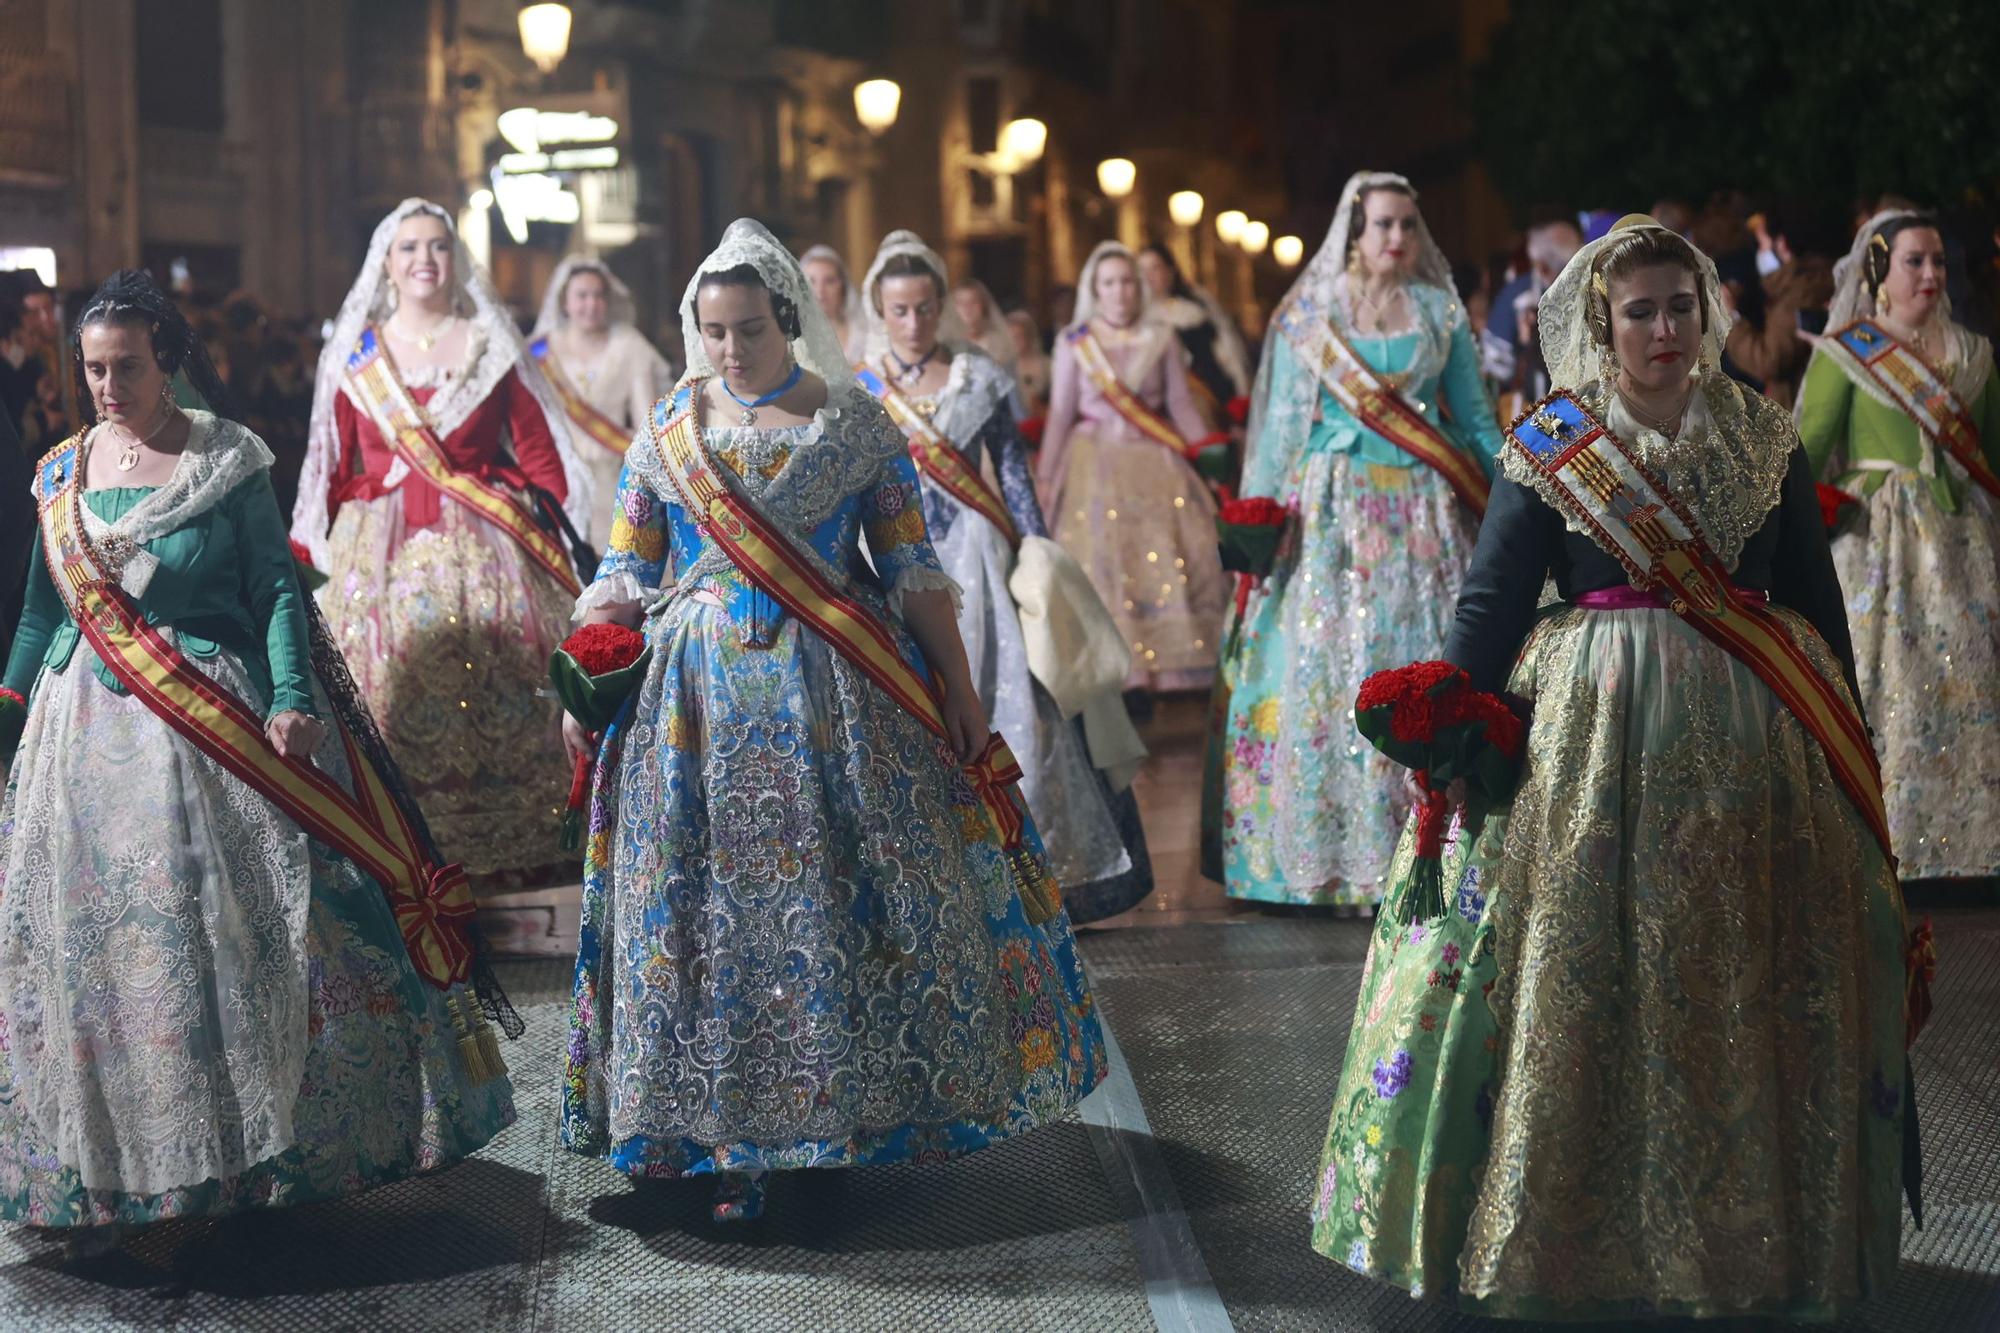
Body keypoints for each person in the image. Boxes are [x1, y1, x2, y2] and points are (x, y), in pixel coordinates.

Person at [1310, 216, 1913, 1319]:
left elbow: (1809, 610)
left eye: (1679, 306)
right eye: (1638, 310)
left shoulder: (1759, 434)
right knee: (1576, 977)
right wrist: (1449, 726)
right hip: (1581, 754)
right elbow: (1490, 605)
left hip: (1746, 756)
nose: (1663, 329)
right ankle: (1564, 1242)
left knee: (1732, 981)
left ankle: (1741, 1238)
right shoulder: (1550, 442)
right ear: (1601, 319)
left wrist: (1852, 760)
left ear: (1705, 312)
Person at [558, 219, 1108, 1222]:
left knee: (832, 905)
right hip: (693, 710)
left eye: (748, 330)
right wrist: (587, 657)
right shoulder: (669, 432)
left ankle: (833, 1129)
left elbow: (910, 569)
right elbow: (626, 568)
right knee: (698, 917)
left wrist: (961, 692)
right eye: (712, 329)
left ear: (786, 320)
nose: (728, 349)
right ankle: (706, 1134)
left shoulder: (852, 424)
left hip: (837, 695)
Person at [0, 270, 513, 1249]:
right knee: (100, 954)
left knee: (222, 940)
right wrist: (10, 701)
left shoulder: (227, 461)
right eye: (95, 370)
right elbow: (37, 612)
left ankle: (246, 1159)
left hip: (206, 729)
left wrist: (286, 700)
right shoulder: (60, 473)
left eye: (129, 368)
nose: (109, 387)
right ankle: (122, 1168)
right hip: (79, 746)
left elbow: (279, 592)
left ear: (170, 361)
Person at [1217, 171, 1503, 907]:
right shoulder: (1311, 314)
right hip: (1335, 511)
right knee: (1328, 663)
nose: (1399, 238)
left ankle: (1425, 845)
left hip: (1424, 511)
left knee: (1426, 650)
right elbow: (1281, 426)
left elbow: (1471, 416)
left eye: (1409, 223)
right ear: (1356, 230)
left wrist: (1513, 485)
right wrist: (1260, 526)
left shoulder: (1439, 311)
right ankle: (1333, 859)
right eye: (1384, 225)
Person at [294, 198, 592, 903]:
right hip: (379, 555)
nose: (424, 260)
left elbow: (540, 452)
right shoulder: (357, 353)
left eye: (437, 246)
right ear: (387, 266)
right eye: (409, 249)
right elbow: (329, 465)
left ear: (455, 259)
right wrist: (313, 556)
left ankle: (513, 863)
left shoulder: (488, 342)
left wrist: (551, 537)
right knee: (381, 691)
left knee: (509, 685)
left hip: (489, 548)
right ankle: (395, 857)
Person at [856, 229, 1153, 922]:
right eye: (898, 310)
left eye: (925, 307)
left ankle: (1035, 865)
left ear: (941, 306)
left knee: (1017, 702)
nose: (913, 322)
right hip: (896, 560)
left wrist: (1039, 552)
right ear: (880, 309)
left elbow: (1012, 472)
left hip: (981, 555)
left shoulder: (980, 375)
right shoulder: (860, 385)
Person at [1797, 209, 2000, 883]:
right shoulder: (1847, 354)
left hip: (1966, 543)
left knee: (1972, 681)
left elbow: (1991, 458)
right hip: (1880, 550)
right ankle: (1891, 847)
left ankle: (1977, 846)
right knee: (1890, 687)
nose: (1931, 275)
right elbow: (1805, 457)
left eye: (1939, 261)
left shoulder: (1974, 356)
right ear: (1879, 273)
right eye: (1914, 261)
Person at [1035, 240, 1228, 699]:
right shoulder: (1075, 342)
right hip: (1093, 461)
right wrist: (1044, 475)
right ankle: (1121, 671)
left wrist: (1208, 453)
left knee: (1165, 554)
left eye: (1126, 282)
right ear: (1095, 290)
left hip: (1154, 458)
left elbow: (1180, 403)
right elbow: (1061, 412)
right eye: (1109, 283)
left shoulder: (1161, 337)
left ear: (1138, 287)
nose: (1119, 292)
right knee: (1104, 562)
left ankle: (1165, 669)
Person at [529, 255, 676, 548]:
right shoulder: (540, 350)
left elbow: (646, 423)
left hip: (612, 482)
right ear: (564, 302)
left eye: (599, 295)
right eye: (582, 295)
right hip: (556, 480)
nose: (591, 304)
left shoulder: (630, 346)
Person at [1724, 207, 1838, 408]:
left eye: (1762, 243)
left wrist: (1731, 316)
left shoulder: (1801, 292)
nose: (1760, 252)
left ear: (1782, 245)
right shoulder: (1809, 281)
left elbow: (1768, 359)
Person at [1137, 242, 1252, 420]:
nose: (1148, 276)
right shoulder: (1131, 318)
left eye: (1155, 268)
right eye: (1142, 269)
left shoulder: (1191, 315)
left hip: (1194, 396)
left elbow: (1213, 361)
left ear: (1170, 271)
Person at [800, 244, 867, 365]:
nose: (820, 290)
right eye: (811, 281)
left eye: (829, 281)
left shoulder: (864, 333)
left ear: (843, 286)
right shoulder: (792, 338)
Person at [1006, 309, 1051, 416]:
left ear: (1029, 336)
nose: (1014, 342)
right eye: (1011, 337)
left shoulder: (1048, 364)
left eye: (1018, 336)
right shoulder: (1006, 369)